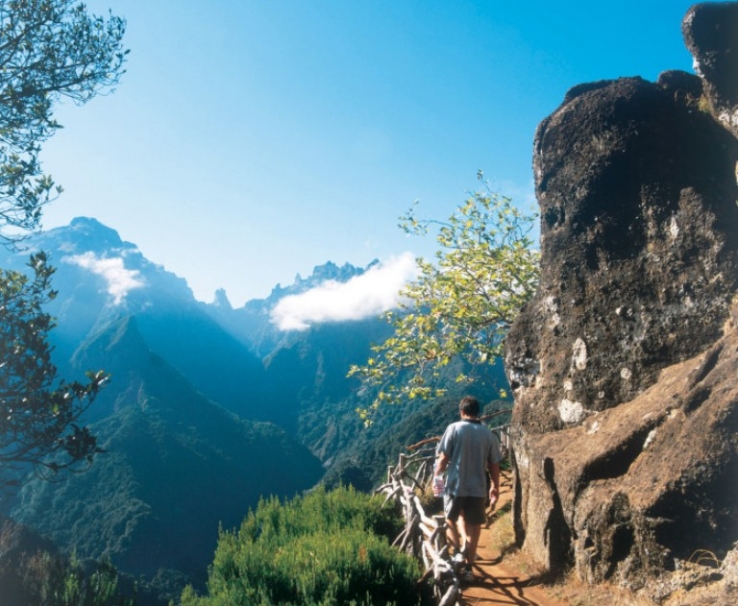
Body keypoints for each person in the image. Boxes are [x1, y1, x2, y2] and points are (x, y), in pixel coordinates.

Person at [434, 395, 502, 582]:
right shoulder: (488, 434)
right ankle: (470, 570)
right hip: (478, 488)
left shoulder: (453, 429)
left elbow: (443, 459)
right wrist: (495, 487)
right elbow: (494, 464)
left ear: (462, 412)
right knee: (474, 527)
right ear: (477, 412)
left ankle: (457, 551)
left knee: (449, 518)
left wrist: (437, 476)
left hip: (455, 486)